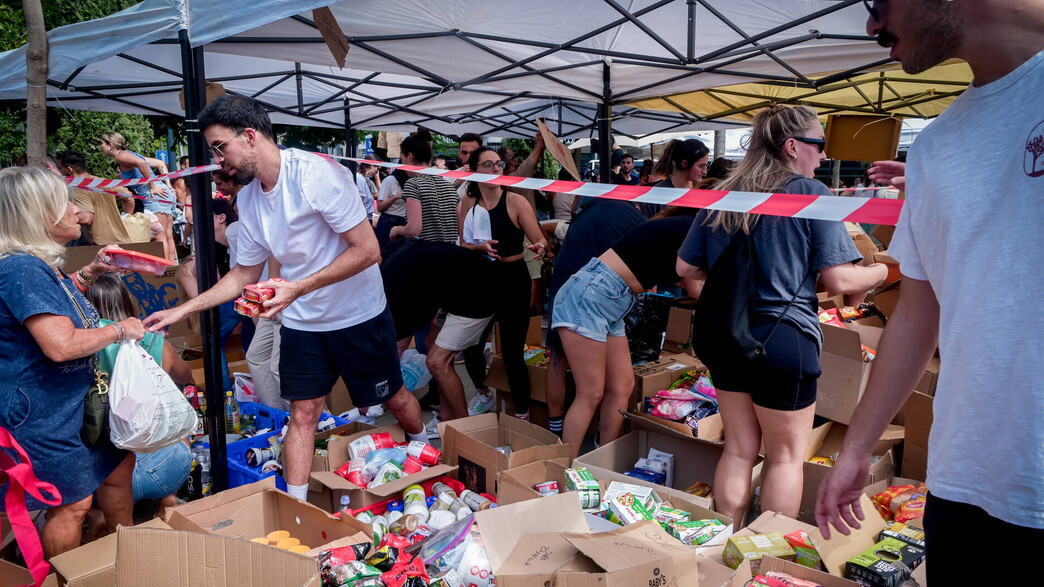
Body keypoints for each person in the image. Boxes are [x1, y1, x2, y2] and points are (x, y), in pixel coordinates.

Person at [816, 1, 1044, 580]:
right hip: (965, 485)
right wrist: (857, 450)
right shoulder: (938, 145)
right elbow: (918, 312)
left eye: (878, 2)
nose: (871, 26)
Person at [144, 95, 427, 504]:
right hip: (303, 323)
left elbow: (368, 251)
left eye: (220, 147)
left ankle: (426, 450)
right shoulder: (251, 199)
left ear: (251, 136)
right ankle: (295, 509)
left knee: (393, 397)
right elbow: (244, 273)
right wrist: (183, 308)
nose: (218, 161)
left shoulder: (317, 176)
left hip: (358, 315)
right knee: (303, 413)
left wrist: (295, 287)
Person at [675, 104, 886, 524]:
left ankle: (725, 548)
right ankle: (760, 564)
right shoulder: (810, 194)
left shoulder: (724, 195)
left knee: (738, 448)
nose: (823, 156)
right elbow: (840, 281)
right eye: (819, 145)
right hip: (784, 337)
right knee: (786, 458)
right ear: (792, 146)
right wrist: (883, 269)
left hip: (727, 335)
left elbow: (685, 268)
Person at [0, 167, 141, 557]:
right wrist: (120, 330)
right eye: (65, 203)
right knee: (72, 503)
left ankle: (126, 559)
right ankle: (70, 576)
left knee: (117, 469)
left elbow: (54, 307)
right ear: (38, 213)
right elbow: (60, 344)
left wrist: (90, 273)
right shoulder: (22, 268)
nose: (77, 213)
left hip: (71, 404)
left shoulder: (34, 265)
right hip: (43, 412)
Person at [425, 147, 548, 431]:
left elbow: (539, 237)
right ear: (475, 170)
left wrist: (539, 246)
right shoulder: (467, 203)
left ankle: (521, 414)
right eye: (489, 164)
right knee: (472, 347)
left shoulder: (516, 201)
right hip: (480, 281)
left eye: (499, 164)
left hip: (513, 278)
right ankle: (482, 394)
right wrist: (477, 247)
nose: (495, 168)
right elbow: (462, 244)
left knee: (514, 352)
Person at [553, 214, 694, 457]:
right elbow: (695, 287)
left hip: (612, 299)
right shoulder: (697, 231)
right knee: (591, 392)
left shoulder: (690, 228)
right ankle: (565, 470)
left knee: (622, 386)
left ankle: (602, 459)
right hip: (591, 296)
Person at [85, 274, 192, 522]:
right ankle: (167, 498)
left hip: (103, 479)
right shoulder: (155, 343)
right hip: (167, 468)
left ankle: (98, 515)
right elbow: (186, 376)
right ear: (127, 302)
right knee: (175, 421)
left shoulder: (82, 351)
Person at [543, 193, 647, 437]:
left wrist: (547, 249)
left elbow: (548, 226)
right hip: (593, 297)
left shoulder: (586, 213)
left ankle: (558, 435)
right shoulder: (629, 215)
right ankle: (573, 449)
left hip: (574, 290)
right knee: (591, 391)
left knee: (561, 363)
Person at [178, 198, 255, 391]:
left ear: (221, 218)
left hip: (256, 299)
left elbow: (248, 278)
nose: (198, 223)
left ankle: (225, 393)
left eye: (204, 217)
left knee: (212, 337)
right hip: (253, 301)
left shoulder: (235, 231)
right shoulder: (227, 245)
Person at [99, 132, 178, 263]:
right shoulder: (129, 154)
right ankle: (171, 269)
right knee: (168, 235)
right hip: (161, 192)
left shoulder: (121, 157)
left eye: (102, 143)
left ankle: (166, 270)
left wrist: (153, 186)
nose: (100, 146)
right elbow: (160, 163)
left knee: (160, 237)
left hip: (153, 194)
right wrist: (167, 185)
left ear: (110, 145)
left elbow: (141, 163)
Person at [390, 130, 459, 243]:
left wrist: (396, 230)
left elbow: (414, 229)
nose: (402, 166)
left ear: (410, 157)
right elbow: (460, 228)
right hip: (450, 252)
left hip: (427, 253)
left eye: (402, 161)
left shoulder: (413, 185)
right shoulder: (449, 186)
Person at [56, 150, 133, 246]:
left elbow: (86, 218)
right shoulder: (102, 181)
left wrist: (58, 219)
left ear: (69, 170)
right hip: (124, 242)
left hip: (103, 247)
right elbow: (129, 196)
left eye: (60, 169)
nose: (59, 173)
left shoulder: (77, 187)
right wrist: (127, 217)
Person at [641, 139, 711, 218]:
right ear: (684, 164)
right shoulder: (656, 195)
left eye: (706, 166)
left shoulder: (702, 191)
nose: (705, 172)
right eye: (701, 166)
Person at [375, 167, 410, 248]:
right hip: (389, 220)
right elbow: (380, 207)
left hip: (406, 221)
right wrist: (395, 197)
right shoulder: (390, 180)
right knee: (386, 252)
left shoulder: (413, 181)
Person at [173, 156, 193, 239]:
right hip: (183, 217)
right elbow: (182, 205)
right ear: (183, 166)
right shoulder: (181, 182)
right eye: (189, 165)